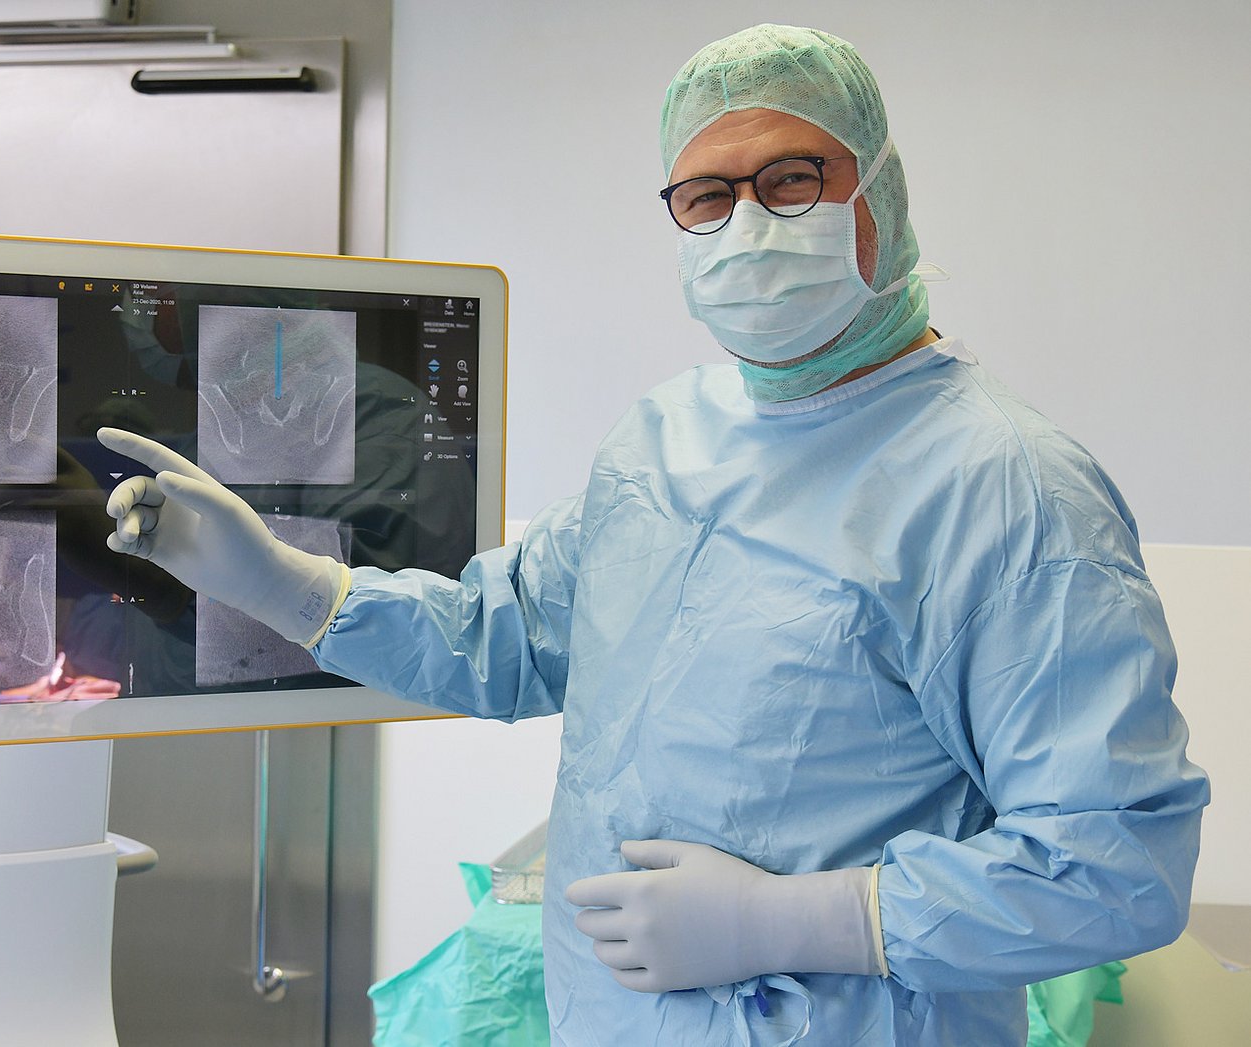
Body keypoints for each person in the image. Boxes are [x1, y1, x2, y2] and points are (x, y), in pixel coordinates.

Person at [96, 24, 1209, 1047]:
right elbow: (503, 639)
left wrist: (804, 920)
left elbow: (1118, 863)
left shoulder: (1007, 490)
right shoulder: (665, 438)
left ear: (879, 192)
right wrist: (285, 585)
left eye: (792, 179)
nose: (749, 223)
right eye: (706, 196)